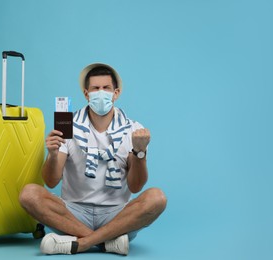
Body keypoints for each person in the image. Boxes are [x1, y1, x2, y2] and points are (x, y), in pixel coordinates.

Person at [19, 63, 167, 255]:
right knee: (28, 194)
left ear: (116, 93)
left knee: (157, 198)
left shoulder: (133, 129)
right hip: (73, 214)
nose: (101, 93)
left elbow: (136, 187)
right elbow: (51, 180)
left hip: (117, 215)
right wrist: (53, 154)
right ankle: (105, 243)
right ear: (86, 94)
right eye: (95, 88)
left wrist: (140, 154)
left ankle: (80, 243)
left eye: (106, 88)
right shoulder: (67, 124)